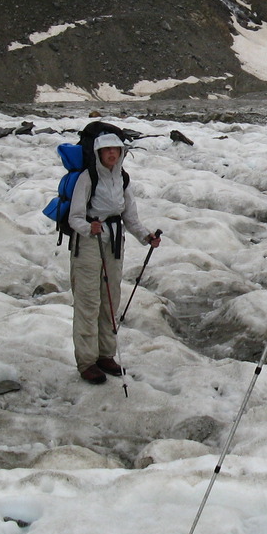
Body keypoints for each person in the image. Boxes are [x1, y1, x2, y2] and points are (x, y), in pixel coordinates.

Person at [66, 132, 160, 383]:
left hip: (114, 242)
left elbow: (130, 218)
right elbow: (74, 216)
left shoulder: (122, 179)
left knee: (110, 298)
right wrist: (89, 228)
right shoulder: (88, 178)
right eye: (106, 150)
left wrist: (146, 236)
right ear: (98, 153)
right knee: (88, 300)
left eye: (115, 150)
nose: (111, 154)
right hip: (88, 243)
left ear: (120, 153)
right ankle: (86, 361)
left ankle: (105, 354)